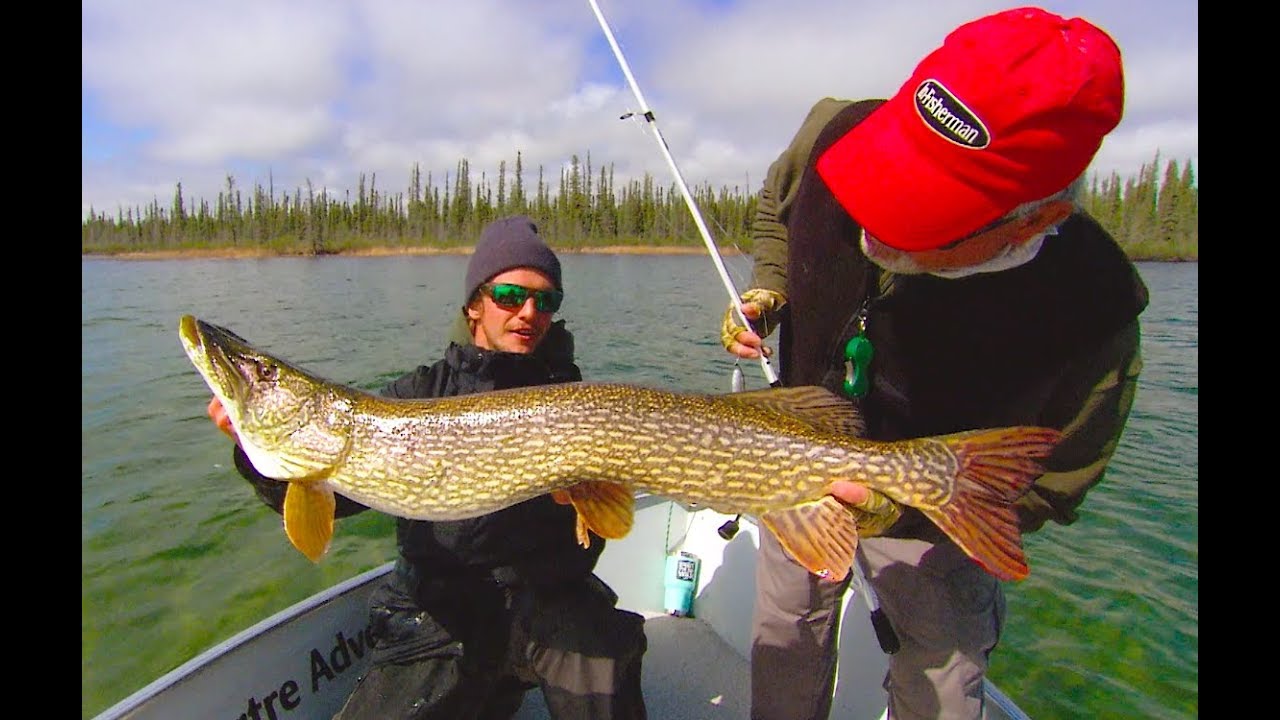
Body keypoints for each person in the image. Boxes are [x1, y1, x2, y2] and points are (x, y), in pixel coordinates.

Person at [719, 7, 1148, 720]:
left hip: (936, 524)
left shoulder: (1095, 314)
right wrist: (772, 285)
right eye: (880, 179)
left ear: (1035, 219)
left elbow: (1051, 483)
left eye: (920, 218)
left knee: (940, 680)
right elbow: (777, 207)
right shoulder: (830, 129)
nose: (872, 229)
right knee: (786, 630)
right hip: (788, 458)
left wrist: (902, 509)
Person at [207, 215, 648, 720]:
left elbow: (605, 524)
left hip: (550, 602)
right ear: (475, 304)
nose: (529, 313)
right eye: (510, 296)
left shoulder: (574, 401)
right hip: (438, 614)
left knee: (601, 659)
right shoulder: (416, 396)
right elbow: (331, 499)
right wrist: (252, 453)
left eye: (545, 301)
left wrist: (589, 494)